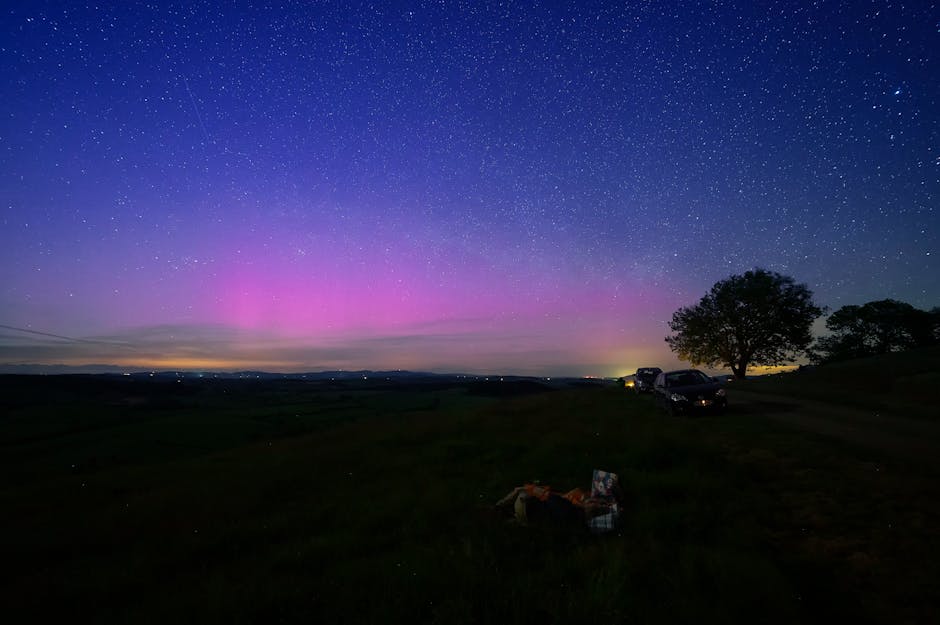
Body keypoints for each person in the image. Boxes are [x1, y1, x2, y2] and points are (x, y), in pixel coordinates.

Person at [495, 478, 621, 527]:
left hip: (525, 507)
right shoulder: (581, 521)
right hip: (527, 519)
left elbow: (550, 496)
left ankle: (499, 506)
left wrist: (532, 489)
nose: (594, 502)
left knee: (523, 490)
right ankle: (507, 513)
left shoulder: (567, 508)